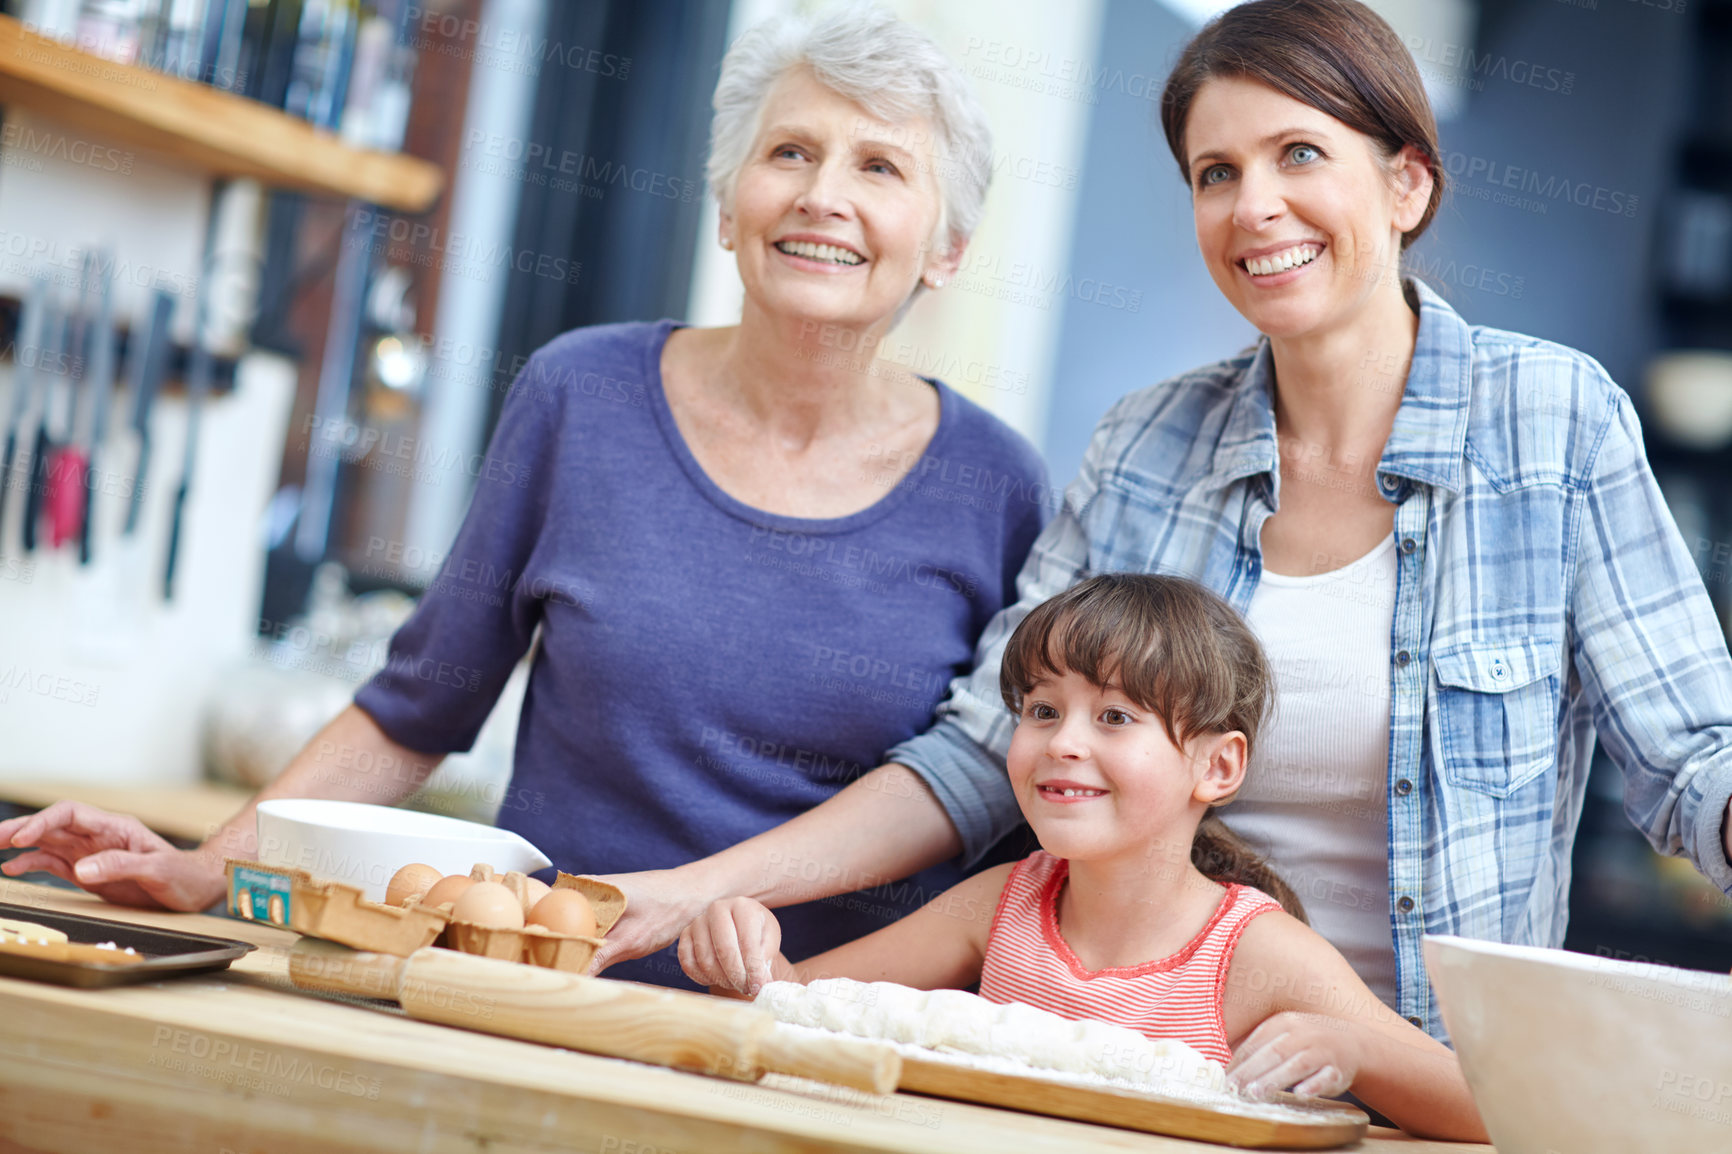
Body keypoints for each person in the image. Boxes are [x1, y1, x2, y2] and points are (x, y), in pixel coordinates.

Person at [594, 0, 1732, 1037]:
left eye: (1300, 154)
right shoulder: (1148, 443)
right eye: (1215, 171)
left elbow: (1694, 760)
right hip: (1151, 1065)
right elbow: (984, 755)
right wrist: (702, 888)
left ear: (1406, 185)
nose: (1255, 206)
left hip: (1432, 1085)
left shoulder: (1552, 423)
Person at [0, 6, 1049, 988]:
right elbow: (422, 700)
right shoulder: (580, 394)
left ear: (947, 249)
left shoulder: (994, 485)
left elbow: (991, 798)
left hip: (809, 1031)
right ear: (728, 208)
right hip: (533, 995)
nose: (823, 193)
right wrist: (211, 864)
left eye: (879, 166)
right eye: (789, 153)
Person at [680, 575, 1487, 1140]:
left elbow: (1491, 1111)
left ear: (1218, 767)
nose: (1063, 743)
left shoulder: (1255, 954)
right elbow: (788, 1007)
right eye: (1041, 709)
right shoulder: (999, 905)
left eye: (1114, 717)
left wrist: (1357, 1050)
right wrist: (742, 947)